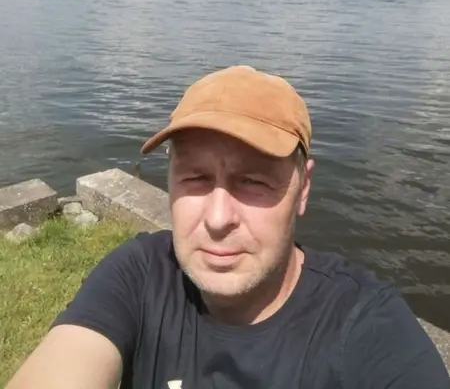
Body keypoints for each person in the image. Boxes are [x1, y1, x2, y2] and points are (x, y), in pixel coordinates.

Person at [6, 65, 449, 389]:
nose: (218, 219)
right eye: (195, 177)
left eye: (253, 181)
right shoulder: (140, 276)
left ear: (303, 190)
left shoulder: (365, 327)